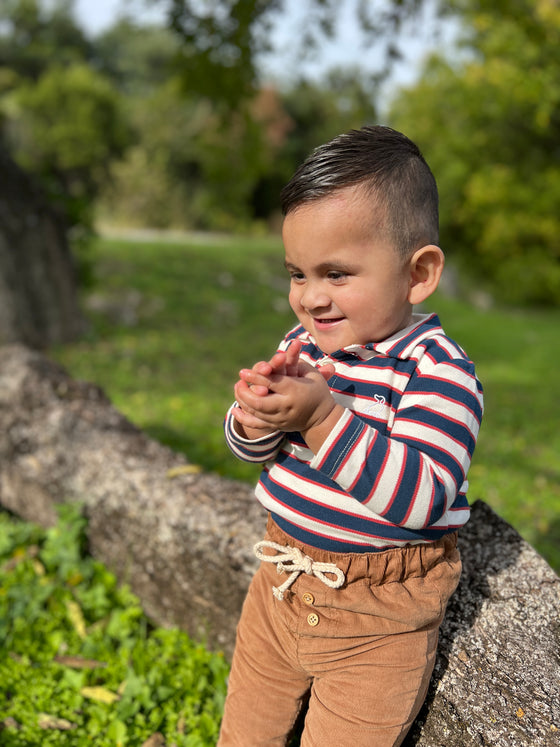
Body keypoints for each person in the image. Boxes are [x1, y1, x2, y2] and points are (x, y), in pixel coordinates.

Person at [218, 125, 483, 747]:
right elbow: (255, 452)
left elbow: (420, 499)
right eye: (297, 274)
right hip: (278, 582)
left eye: (336, 274)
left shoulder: (439, 373)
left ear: (417, 274)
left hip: (379, 615)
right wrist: (255, 421)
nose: (310, 298)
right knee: (244, 731)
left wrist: (321, 418)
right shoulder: (302, 347)